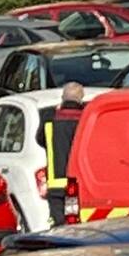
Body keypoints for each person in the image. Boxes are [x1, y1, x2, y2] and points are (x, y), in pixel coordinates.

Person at [43, 81, 86, 225]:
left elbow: (39, 139)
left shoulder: (50, 120)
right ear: (81, 99)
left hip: (56, 184)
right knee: (76, 225)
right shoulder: (85, 121)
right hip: (78, 184)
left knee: (59, 226)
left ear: (62, 98)